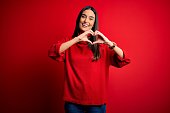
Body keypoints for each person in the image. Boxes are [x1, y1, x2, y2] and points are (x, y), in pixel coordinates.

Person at [48, 6, 130, 113]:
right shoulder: (69, 43)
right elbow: (53, 52)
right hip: (73, 103)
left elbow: (124, 59)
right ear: (78, 20)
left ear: (94, 23)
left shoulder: (101, 46)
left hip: (97, 104)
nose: (86, 20)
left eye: (91, 18)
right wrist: (77, 39)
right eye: (83, 17)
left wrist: (110, 43)